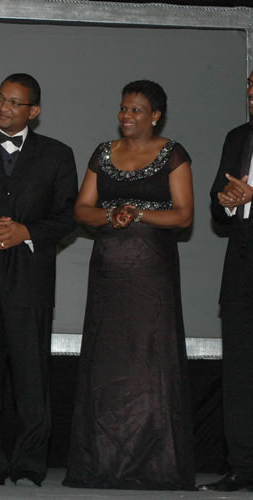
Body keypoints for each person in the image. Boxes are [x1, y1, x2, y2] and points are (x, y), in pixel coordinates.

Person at [63, 80, 195, 490]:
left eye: (136, 110)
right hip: (109, 273)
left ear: (155, 115)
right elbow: (82, 209)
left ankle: (157, 465)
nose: (126, 116)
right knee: (108, 361)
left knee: (150, 361)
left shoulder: (172, 153)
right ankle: (101, 463)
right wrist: (112, 215)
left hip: (151, 274)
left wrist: (137, 213)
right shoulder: (103, 154)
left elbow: (184, 216)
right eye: (123, 109)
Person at [0, 74, 77, 486]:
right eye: (0, 99)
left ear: (34, 111)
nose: (4, 108)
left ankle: (30, 462)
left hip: (30, 283)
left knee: (32, 377)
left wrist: (27, 232)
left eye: (14, 102)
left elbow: (69, 213)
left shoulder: (57, 154)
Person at [199, 71, 253, 492]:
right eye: (250, 85)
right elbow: (219, 208)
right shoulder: (238, 137)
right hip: (241, 270)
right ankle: (242, 467)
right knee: (239, 374)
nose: (251, 93)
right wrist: (229, 202)